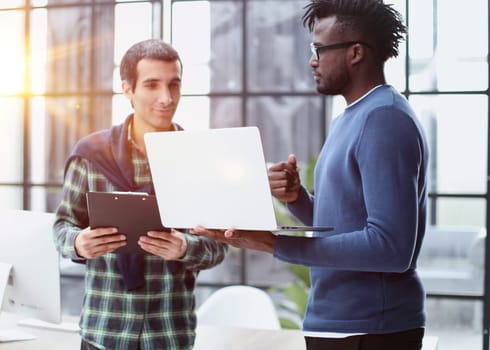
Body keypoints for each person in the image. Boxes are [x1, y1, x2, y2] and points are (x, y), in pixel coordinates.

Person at [192, 1, 429, 349]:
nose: (311, 60)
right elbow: (345, 221)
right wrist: (297, 198)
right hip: (338, 324)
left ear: (356, 53)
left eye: (318, 49)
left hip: (371, 330)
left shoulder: (384, 120)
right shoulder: (351, 117)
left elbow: (391, 248)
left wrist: (273, 244)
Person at [53, 39, 228, 350]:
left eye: (174, 85)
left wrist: (185, 248)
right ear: (128, 89)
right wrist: (78, 243)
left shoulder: (200, 157)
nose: (166, 97)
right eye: (152, 85)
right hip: (104, 331)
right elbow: (61, 228)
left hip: (168, 334)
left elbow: (218, 247)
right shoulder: (90, 155)